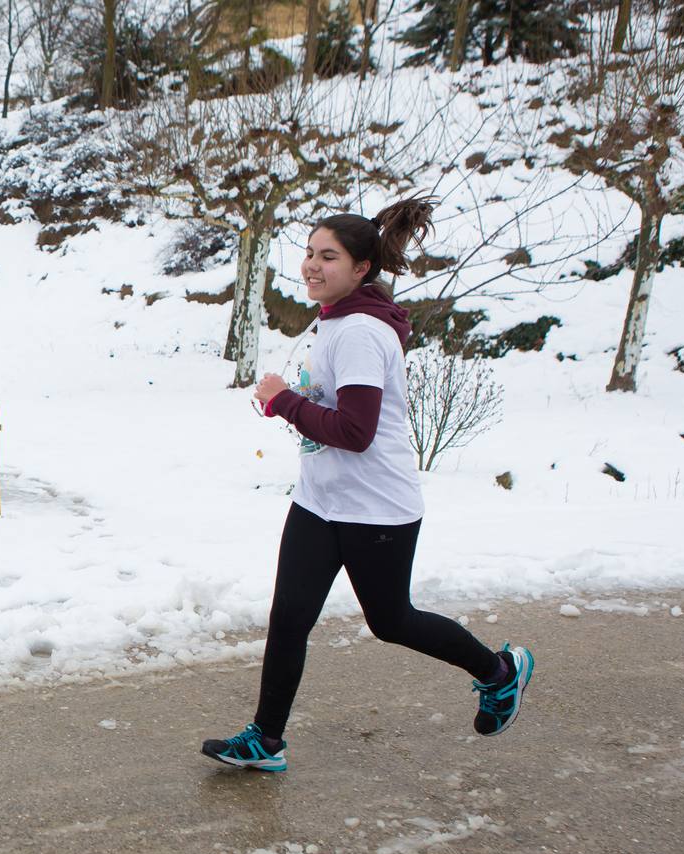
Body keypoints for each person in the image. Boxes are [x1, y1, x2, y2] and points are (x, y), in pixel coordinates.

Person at [201, 196, 533, 773]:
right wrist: (296, 401)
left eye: (327, 257)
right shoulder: (330, 320)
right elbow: (334, 410)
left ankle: (500, 672)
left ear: (361, 270)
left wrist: (283, 402)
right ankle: (266, 740)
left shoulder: (358, 332)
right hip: (319, 502)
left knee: (391, 621)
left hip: (375, 508)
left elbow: (355, 432)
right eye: (308, 253)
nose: (311, 265)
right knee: (289, 618)